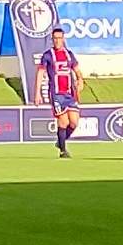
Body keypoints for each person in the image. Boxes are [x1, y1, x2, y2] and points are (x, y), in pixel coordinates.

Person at [35, 27, 83, 158]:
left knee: (74, 122)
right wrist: (37, 92)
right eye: (55, 38)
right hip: (56, 94)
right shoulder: (48, 55)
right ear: (52, 39)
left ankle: (60, 142)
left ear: (63, 39)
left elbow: (77, 70)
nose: (57, 41)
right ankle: (63, 151)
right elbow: (40, 73)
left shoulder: (69, 54)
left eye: (59, 38)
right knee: (63, 122)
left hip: (69, 94)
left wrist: (80, 80)